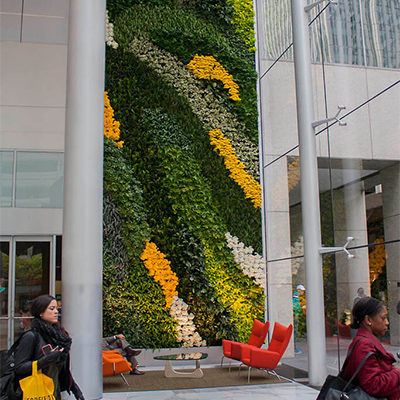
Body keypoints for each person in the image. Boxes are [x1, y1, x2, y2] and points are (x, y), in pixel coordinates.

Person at [10, 294, 84, 400]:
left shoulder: (59, 337)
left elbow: (61, 370)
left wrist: (75, 390)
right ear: (40, 312)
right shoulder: (31, 336)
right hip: (36, 393)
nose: (56, 312)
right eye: (51, 309)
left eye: (57, 309)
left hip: (53, 393)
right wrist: (45, 360)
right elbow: (19, 367)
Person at [342, 296, 400, 400]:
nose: (387, 322)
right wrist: (397, 372)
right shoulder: (364, 345)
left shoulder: (366, 341)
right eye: (383, 318)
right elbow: (373, 385)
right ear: (368, 320)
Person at [293, 284, 306, 354]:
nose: (303, 293)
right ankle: (294, 349)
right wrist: (301, 308)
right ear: (298, 290)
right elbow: (294, 306)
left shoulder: (297, 296)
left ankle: (294, 348)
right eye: (302, 291)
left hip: (296, 315)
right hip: (295, 315)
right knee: (294, 332)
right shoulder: (296, 296)